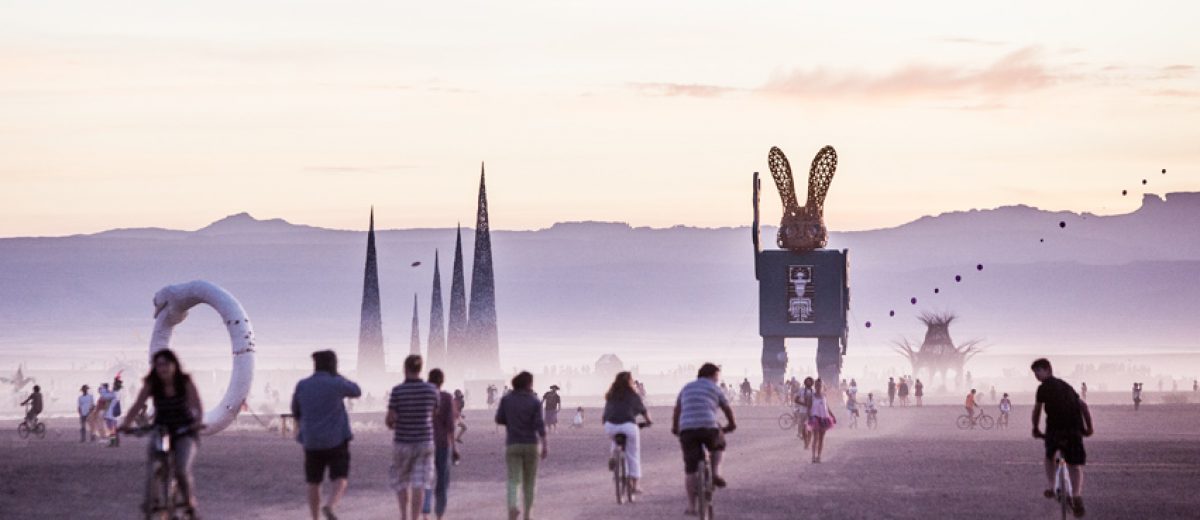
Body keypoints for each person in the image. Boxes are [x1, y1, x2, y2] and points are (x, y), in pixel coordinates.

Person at [119, 349, 205, 518]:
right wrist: (126, 424)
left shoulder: (184, 382)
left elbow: (196, 405)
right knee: (154, 462)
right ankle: (152, 501)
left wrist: (197, 421)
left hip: (184, 431)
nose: (162, 368)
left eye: (166, 364)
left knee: (181, 469)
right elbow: (137, 405)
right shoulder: (152, 384)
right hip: (161, 429)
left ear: (174, 365)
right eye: (158, 365)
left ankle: (189, 503)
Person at [292, 350, 362, 520]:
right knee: (340, 477)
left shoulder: (303, 384)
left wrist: (301, 427)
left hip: (311, 440)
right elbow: (356, 391)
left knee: (313, 481)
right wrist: (339, 376)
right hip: (336, 439)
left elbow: (295, 409)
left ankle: (315, 517)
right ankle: (330, 505)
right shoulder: (336, 383)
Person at [1031, 358, 1093, 517]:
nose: (1036, 375)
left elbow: (1037, 410)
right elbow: (1083, 406)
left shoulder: (1043, 388)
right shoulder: (1066, 386)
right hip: (1075, 429)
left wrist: (1036, 428)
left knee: (1049, 456)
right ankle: (1077, 495)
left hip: (1056, 429)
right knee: (1074, 464)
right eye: (1035, 372)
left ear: (1048, 370)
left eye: (1038, 371)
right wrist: (1089, 428)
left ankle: (1052, 486)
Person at [672, 362, 736, 516]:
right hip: (708, 426)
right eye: (717, 377)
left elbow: (677, 409)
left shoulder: (687, 388)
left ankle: (691, 506)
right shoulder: (715, 388)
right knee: (719, 444)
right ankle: (715, 472)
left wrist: (675, 427)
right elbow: (726, 408)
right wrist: (731, 424)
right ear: (712, 375)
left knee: (690, 468)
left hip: (687, 429)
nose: (717, 380)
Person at [387, 355, 439, 520]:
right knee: (419, 483)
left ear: (405, 369)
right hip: (424, 441)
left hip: (402, 442)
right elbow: (433, 414)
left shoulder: (397, 391)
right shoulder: (431, 390)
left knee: (401, 481)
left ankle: (404, 516)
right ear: (420, 369)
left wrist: (396, 423)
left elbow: (389, 419)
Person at [495, 371, 548, 520]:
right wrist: (545, 444)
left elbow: (499, 419)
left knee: (513, 479)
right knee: (529, 482)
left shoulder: (506, 400)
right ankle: (528, 515)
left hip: (513, 443)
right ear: (528, 384)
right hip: (531, 444)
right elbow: (540, 425)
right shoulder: (534, 401)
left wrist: (511, 422)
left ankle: (513, 505)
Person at [603, 371, 652, 498]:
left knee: (615, 439)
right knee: (633, 453)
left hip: (610, 426)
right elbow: (644, 411)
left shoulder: (611, 395)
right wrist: (648, 422)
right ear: (629, 382)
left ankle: (614, 455)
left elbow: (605, 414)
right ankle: (635, 484)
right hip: (628, 426)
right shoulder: (633, 395)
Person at [421, 369, 461, 520]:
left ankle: (425, 513)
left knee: (426, 478)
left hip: (425, 442)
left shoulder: (424, 397)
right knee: (442, 480)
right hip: (443, 444)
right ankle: (439, 514)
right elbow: (450, 426)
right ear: (442, 381)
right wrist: (455, 448)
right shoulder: (446, 398)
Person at [807, 379, 836, 463]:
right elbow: (809, 408)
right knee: (815, 438)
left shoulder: (824, 396)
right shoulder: (811, 396)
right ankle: (813, 456)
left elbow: (827, 407)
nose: (818, 387)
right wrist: (809, 417)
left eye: (819, 385)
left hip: (824, 418)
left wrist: (832, 415)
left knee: (821, 438)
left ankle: (819, 456)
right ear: (814, 386)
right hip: (815, 418)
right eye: (816, 385)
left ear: (822, 386)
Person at [794, 377, 815, 446]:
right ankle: (805, 440)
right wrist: (804, 404)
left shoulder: (813, 391)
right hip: (802, 411)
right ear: (805, 382)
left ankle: (807, 442)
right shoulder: (801, 390)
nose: (808, 383)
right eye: (807, 381)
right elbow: (796, 400)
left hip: (811, 412)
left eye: (810, 381)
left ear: (812, 383)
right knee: (803, 428)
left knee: (809, 428)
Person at [105, 377, 124, 447]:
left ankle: (113, 442)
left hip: (111, 413)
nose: (113, 386)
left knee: (111, 429)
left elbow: (106, 397)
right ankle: (116, 442)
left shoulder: (114, 393)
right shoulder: (118, 393)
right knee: (114, 428)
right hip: (114, 413)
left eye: (114, 385)